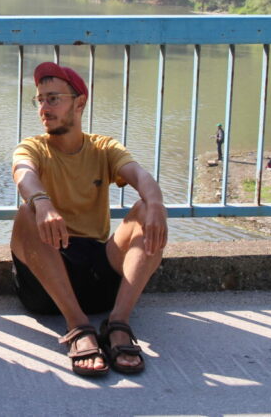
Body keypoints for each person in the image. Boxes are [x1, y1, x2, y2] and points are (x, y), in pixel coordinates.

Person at [10, 62, 168, 377]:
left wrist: (157, 203)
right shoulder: (34, 147)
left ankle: (118, 323)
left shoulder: (103, 148)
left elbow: (137, 173)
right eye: (40, 99)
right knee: (26, 213)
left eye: (53, 98)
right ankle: (78, 327)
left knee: (144, 209)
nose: (44, 107)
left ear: (79, 102)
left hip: (98, 277)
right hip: (46, 282)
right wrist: (42, 202)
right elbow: (23, 172)